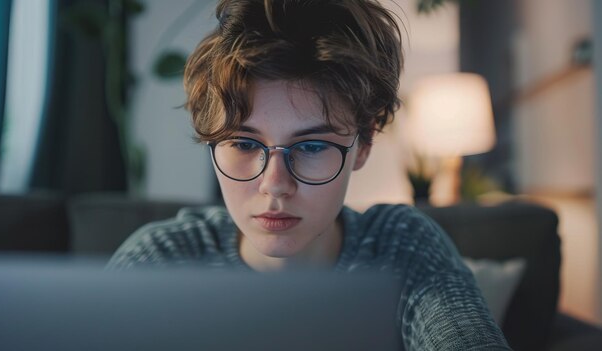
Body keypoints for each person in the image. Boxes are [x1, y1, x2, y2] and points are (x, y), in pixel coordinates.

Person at [108, 0, 511, 349]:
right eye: (245, 144)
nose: (275, 185)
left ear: (363, 144)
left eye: (312, 146)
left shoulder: (399, 248)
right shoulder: (163, 258)